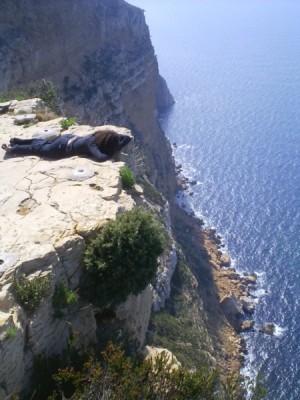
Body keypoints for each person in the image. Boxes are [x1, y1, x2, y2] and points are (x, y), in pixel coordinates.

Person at [1, 129, 132, 162]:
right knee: (38, 149)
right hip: (61, 149)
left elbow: (127, 138)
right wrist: (113, 151)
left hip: (68, 138)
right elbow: (100, 158)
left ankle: (17, 140)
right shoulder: (91, 145)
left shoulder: (95, 136)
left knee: (42, 143)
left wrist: (115, 139)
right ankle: (13, 149)